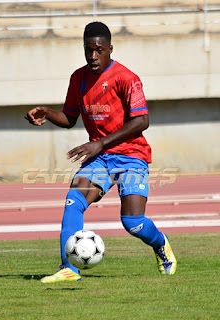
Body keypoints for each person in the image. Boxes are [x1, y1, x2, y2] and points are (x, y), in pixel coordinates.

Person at [25, 21, 177, 282]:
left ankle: (160, 244)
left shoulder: (127, 78)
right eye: (88, 50)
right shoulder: (78, 78)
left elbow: (142, 121)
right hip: (101, 158)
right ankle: (69, 269)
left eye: (98, 50)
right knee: (74, 201)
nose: (93, 56)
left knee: (133, 223)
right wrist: (47, 113)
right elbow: (70, 118)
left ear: (109, 49)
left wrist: (100, 143)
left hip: (131, 156)